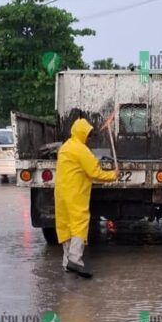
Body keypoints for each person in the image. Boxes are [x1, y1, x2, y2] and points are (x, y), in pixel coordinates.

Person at [55, 117, 118, 278]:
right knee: (79, 223)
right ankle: (75, 260)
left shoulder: (65, 147)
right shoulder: (81, 150)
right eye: (88, 135)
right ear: (83, 134)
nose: (89, 139)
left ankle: (66, 262)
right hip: (75, 193)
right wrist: (113, 175)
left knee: (65, 225)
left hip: (61, 193)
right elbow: (94, 172)